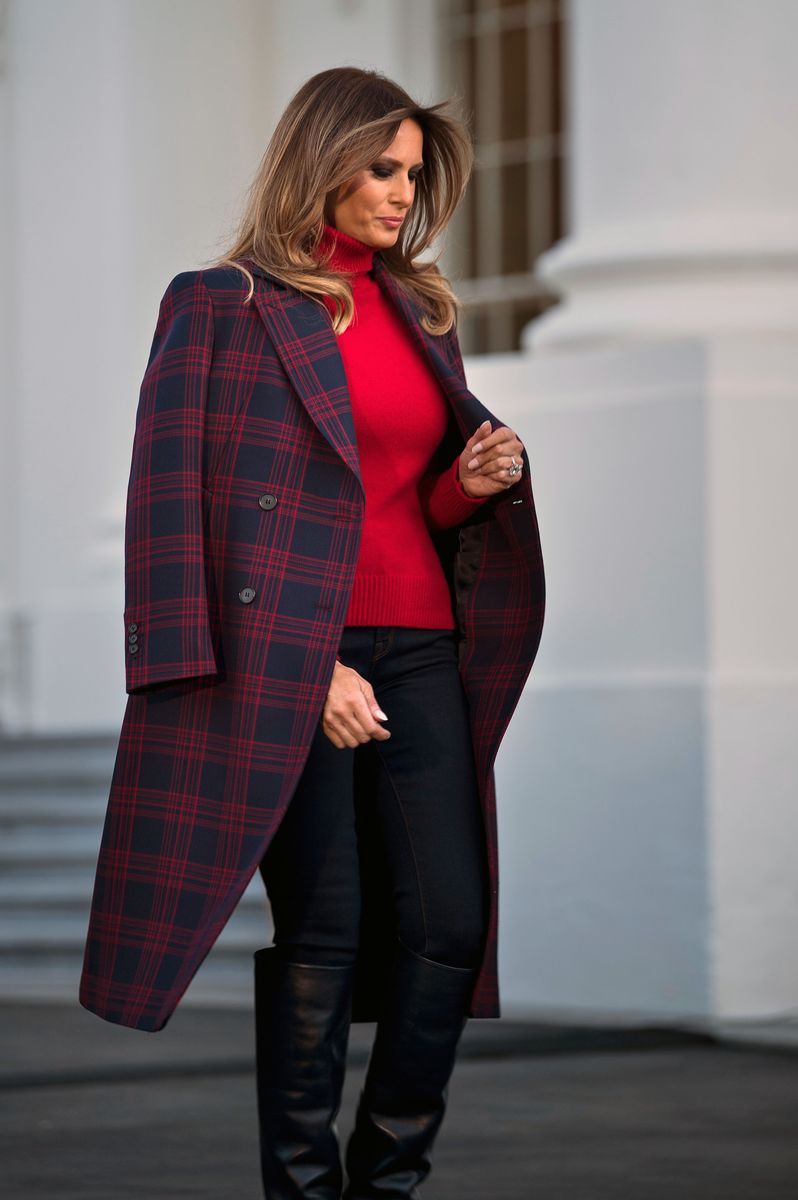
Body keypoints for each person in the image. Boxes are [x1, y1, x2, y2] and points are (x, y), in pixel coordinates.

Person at [79, 66, 545, 1200]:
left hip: (424, 647)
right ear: (322, 159)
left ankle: (390, 1180)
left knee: (449, 921)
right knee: (327, 927)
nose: (401, 194)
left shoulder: (417, 308)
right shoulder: (220, 304)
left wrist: (467, 484)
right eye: (382, 169)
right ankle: (303, 1188)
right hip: (294, 664)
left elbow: (391, 504)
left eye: (413, 176)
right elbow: (171, 503)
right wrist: (291, 669)